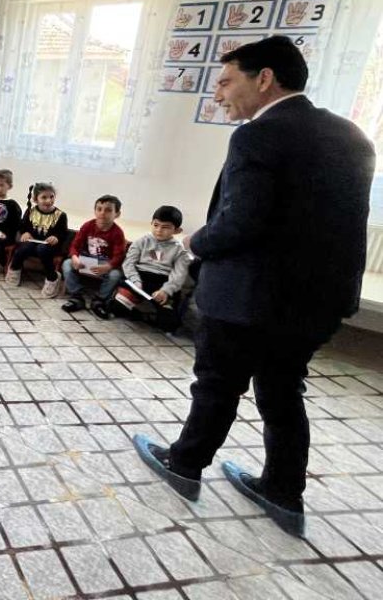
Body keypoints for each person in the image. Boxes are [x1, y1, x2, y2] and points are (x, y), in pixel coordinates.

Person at [133, 36, 375, 537]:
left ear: (264, 78)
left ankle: (185, 465)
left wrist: (196, 242)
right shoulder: (353, 135)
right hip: (317, 302)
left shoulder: (257, 136)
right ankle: (283, 493)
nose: (218, 93)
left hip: (248, 297)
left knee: (218, 384)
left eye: (226, 81)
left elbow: (242, 222)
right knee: (283, 391)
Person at [112, 205, 192, 333]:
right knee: (116, 307)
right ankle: (139, 314)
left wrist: (166, 291)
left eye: (165, 227)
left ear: (177, 230)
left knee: (169, 324)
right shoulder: (141, 241)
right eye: (156, 225)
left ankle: (153, 315)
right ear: (151, 224)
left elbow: (179, 275)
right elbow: (128, 263)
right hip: (139, 278)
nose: (159, 230)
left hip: (162, 283)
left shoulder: (180, 251)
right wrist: (135, 280)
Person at [61, 195, 126, 319]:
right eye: (99, 209)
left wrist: (108, 266)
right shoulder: (88, 226)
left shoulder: (117, 233)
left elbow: (119, 255)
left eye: (108, 210)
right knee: (67, 264)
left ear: (117, 214)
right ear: (95, 210)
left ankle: (99, 300)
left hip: (104, 264)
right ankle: (77, 297)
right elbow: (75, 245)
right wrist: (74, 257)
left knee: (115, 275)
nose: (102, 213)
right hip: (86, 260)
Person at [7, 182, 68, 297]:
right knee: (23, 248)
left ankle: (52, 277)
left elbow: (63, 233)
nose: (48, 200)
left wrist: (56, 237)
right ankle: (15, 268)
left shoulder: (61, 215)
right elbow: (23, 226)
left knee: (42, 249)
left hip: (49, 247)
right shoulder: (31, 212)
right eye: (44, 197)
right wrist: (25, 232)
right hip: (32, 243)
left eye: (51, 197)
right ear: (36, 199)